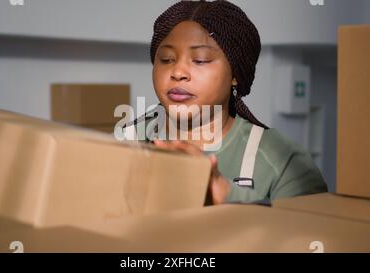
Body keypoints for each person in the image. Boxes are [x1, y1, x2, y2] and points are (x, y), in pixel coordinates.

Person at [123, 0, 328, 205]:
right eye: (167, 59)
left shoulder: (285, 163)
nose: (178, 72)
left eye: (200, 60)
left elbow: (308, 232)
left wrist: (225, 193)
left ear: (235, 74)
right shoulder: (124, 143)